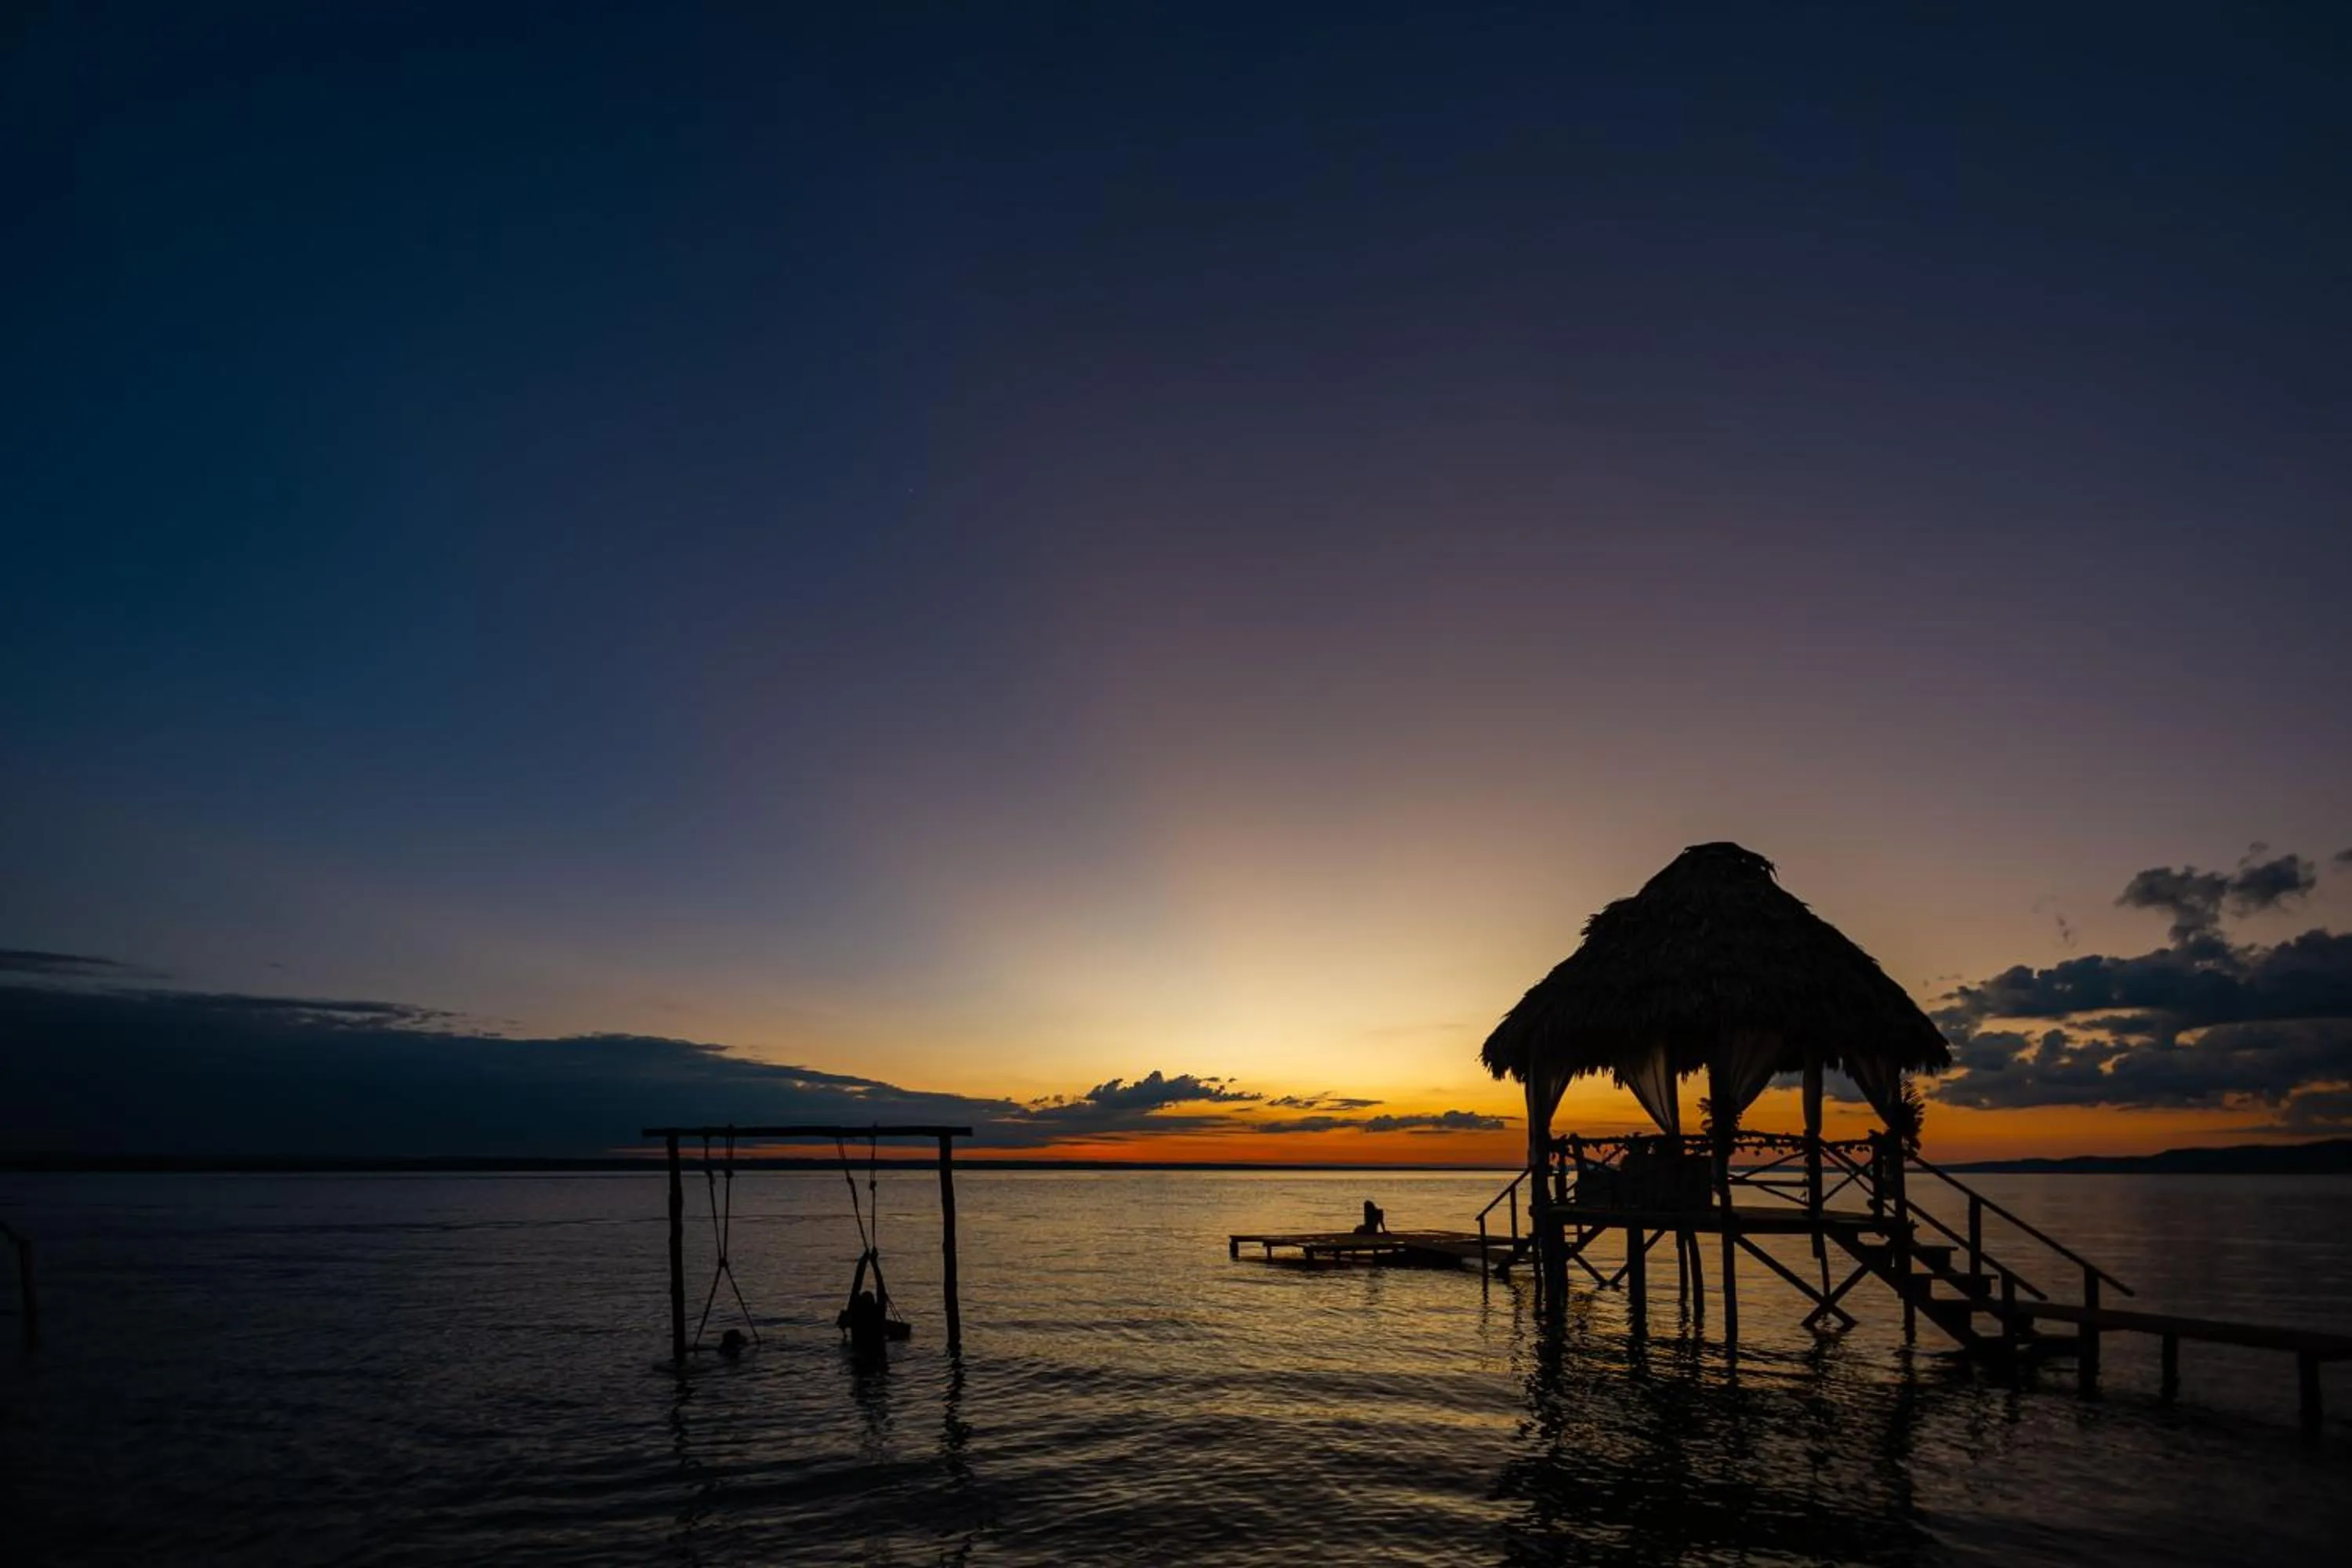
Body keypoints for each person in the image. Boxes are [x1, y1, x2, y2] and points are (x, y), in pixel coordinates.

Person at [838, 1287, 889, 1363]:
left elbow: (854, 1296)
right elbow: (881, 1296)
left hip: (859, 1352)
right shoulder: (878, 1314)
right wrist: (878, 1276)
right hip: (875, 1352)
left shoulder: (856, 1316)